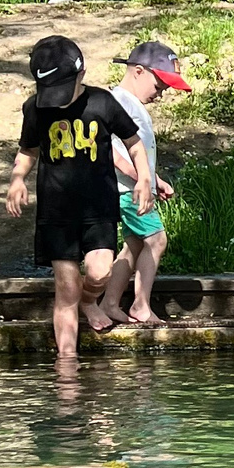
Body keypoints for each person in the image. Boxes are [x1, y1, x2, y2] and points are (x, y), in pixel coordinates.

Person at [6, 34, 146, 362]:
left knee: (99, 272)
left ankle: (89, 300)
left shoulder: (102, 103)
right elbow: (28, 150)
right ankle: (67, 365)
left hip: (99, 207)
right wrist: (17, 179)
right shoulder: (35, 108)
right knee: (66, 286)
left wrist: (144, 179)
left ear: (81, 74)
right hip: (56, 211)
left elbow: (134, 143)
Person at [88, 40, 188, 331]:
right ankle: (140, 305)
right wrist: (141, 180)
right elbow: (110, 151)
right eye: (159, 86)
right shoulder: (117, 102)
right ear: (139, 71)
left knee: (133, 245)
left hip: (135, 187)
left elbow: (138, 152)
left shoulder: (132, 105)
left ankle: (110, 302)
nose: (161, 94)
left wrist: (155, 180)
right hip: (127, 190)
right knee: (156, 240)